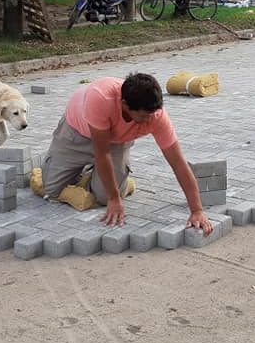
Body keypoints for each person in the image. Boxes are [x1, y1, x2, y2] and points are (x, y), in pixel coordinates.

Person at [41, 73, 213, 234]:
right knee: (52, 189)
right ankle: (95, 173)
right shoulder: (101, 97)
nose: (149, 120)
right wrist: (115, 199)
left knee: (103, 197)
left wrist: (197, 210)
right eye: (143, 116)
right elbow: (102, 153)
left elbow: (178, 163)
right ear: (124, 105)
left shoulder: (156, 115)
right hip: (76, 133)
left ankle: (108, 178)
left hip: (116, 140)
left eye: (152, 115)